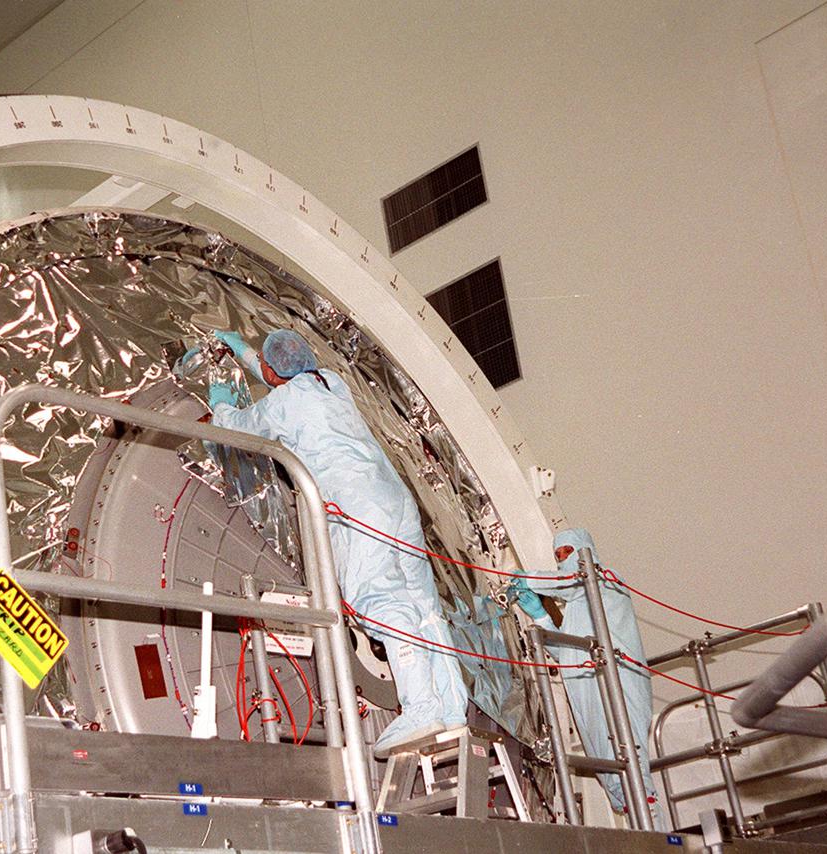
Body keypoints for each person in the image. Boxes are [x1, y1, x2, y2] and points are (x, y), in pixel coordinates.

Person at [209, 328, 469, 757]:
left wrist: (219, 399)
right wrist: (243, 352)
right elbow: (283, 378)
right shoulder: (331, 382)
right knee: (423, 607)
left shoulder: (283, 403)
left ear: (273, 372)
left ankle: (421, 709)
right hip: (395, 502)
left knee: (380, 600)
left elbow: (237, 426)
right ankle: (452, 708)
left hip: (357, 508)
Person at [512, 528, 665, 829]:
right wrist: (541, 617)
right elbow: (568, 652)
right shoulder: (577, 606)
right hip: (588, 690)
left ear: (586, 550)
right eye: (558, 556)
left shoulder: (605, 580)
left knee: (629, 755)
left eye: (568, 552)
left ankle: (657, 833)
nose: (562, 559)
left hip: (618, 682)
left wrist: (528, 578)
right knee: (608, 764)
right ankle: (637, 825)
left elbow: (574, 581)